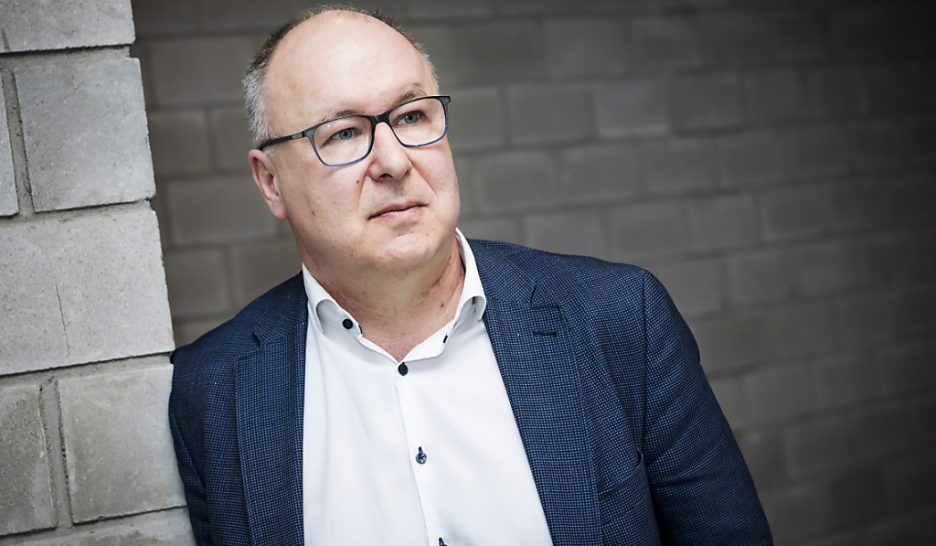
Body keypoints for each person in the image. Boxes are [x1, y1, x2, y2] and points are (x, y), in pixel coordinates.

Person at [168, 5, 772, 545]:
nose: (394, 161)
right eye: (344, 133)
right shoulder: (212, 392)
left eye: (411, 116)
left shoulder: (620, 320)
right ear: (270, 182)